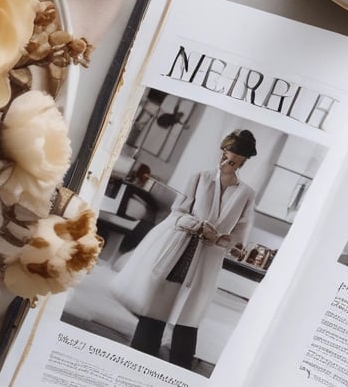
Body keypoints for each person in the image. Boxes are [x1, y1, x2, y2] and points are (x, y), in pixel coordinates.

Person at [110, 129, 258, 369]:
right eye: (223, 156)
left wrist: (228, 242)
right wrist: (199, 226)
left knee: (189, 315)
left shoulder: (247, 193)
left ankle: (179, 370)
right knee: (157, 305)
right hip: (180, 247)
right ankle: (138, 359)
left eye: (232, 161)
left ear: (243, 161)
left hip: (208, 256)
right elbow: (178, 212)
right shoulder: (199, 177)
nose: (224, 163)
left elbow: (241, 231)